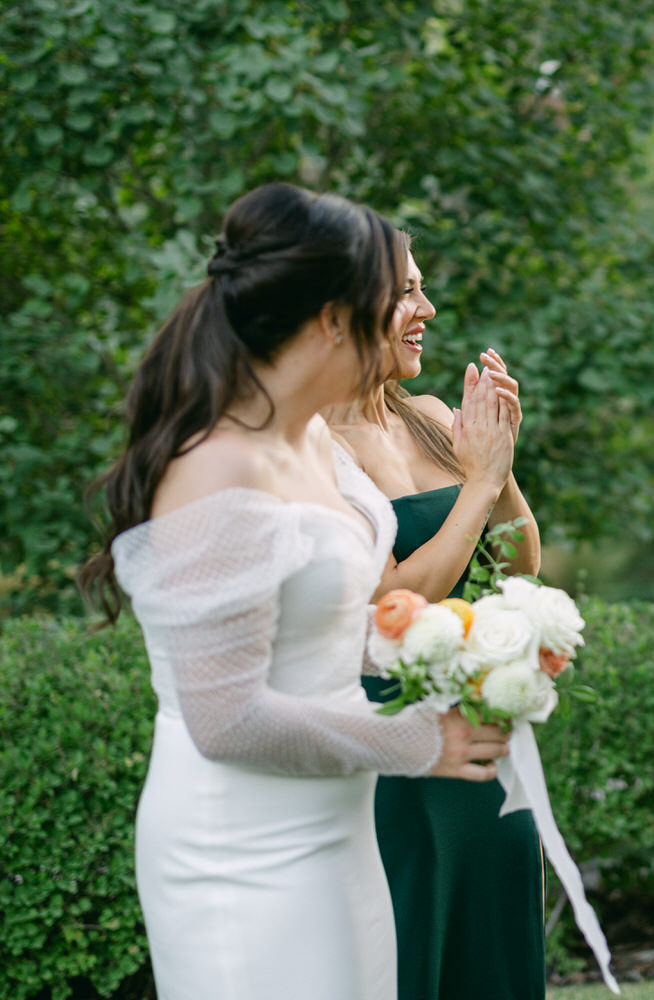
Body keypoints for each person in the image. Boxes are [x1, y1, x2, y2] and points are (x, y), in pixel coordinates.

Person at [78, 183, 511, 1000]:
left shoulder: (311, 438)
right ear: (331, 318)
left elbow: (337, 622)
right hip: (238, 847)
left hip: (337, 828)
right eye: (395, 297)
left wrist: (461, 655)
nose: (411, 317)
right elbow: (226, 717)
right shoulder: (217, 468)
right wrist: (421, 742)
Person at [324, 242, 545, 1000]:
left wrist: (501, 462)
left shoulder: (427, 419)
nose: (428, 311)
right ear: (345, 310)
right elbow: (392, 605)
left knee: (496, 927)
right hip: (397, 735)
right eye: (406, 294)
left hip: (481, 717)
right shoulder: (316, 453)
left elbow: (519, 567)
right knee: (419, 935)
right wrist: (478, 484)